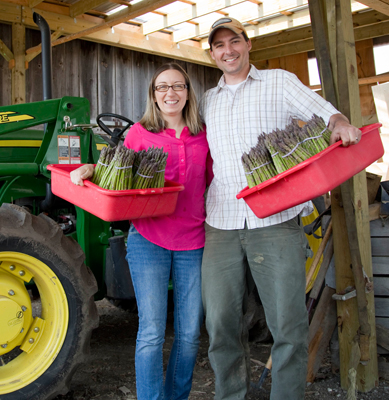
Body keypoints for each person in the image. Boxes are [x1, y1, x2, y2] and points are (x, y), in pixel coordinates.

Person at [199, 17, 362, 400]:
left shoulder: (279, 82)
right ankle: (230, 395)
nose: (228, 50)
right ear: (212, 53)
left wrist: (340, 124)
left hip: (275, 220)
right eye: (219, 45)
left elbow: (325, 112)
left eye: (234, 41)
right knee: (220, 323)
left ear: (247, 43)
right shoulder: (207, 100)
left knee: (287, 323)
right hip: (220, 222)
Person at [70, 63, 212, 400]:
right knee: (151, 332)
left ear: (188, 93)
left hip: (194, 241)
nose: (170, 93)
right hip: (149, 241)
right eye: (162, 87)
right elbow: (114, 172)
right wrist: (90, 167)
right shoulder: (139, 134)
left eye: (178, 86)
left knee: (190, 334)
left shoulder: (204, 134)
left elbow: (213, 181)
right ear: (153, 95)